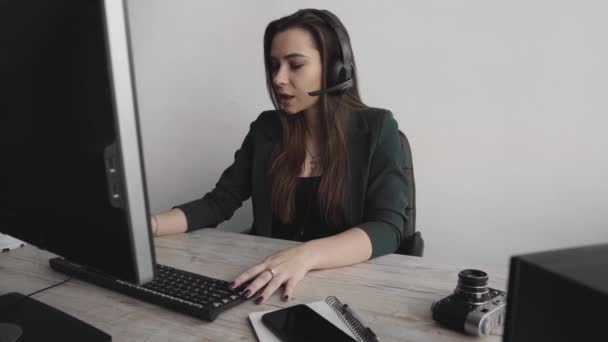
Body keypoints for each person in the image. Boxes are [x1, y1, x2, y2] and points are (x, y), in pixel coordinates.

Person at [150, 9, 409, 305]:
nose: (278, 79)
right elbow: (217, 203)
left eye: (295, 65)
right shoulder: (266, 129)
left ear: (337, 69)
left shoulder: (377, 128)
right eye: (274, 66)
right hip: (269, 288)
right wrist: (148, 225)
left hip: (348, 293)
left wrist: (305, 255)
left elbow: (388, 229)